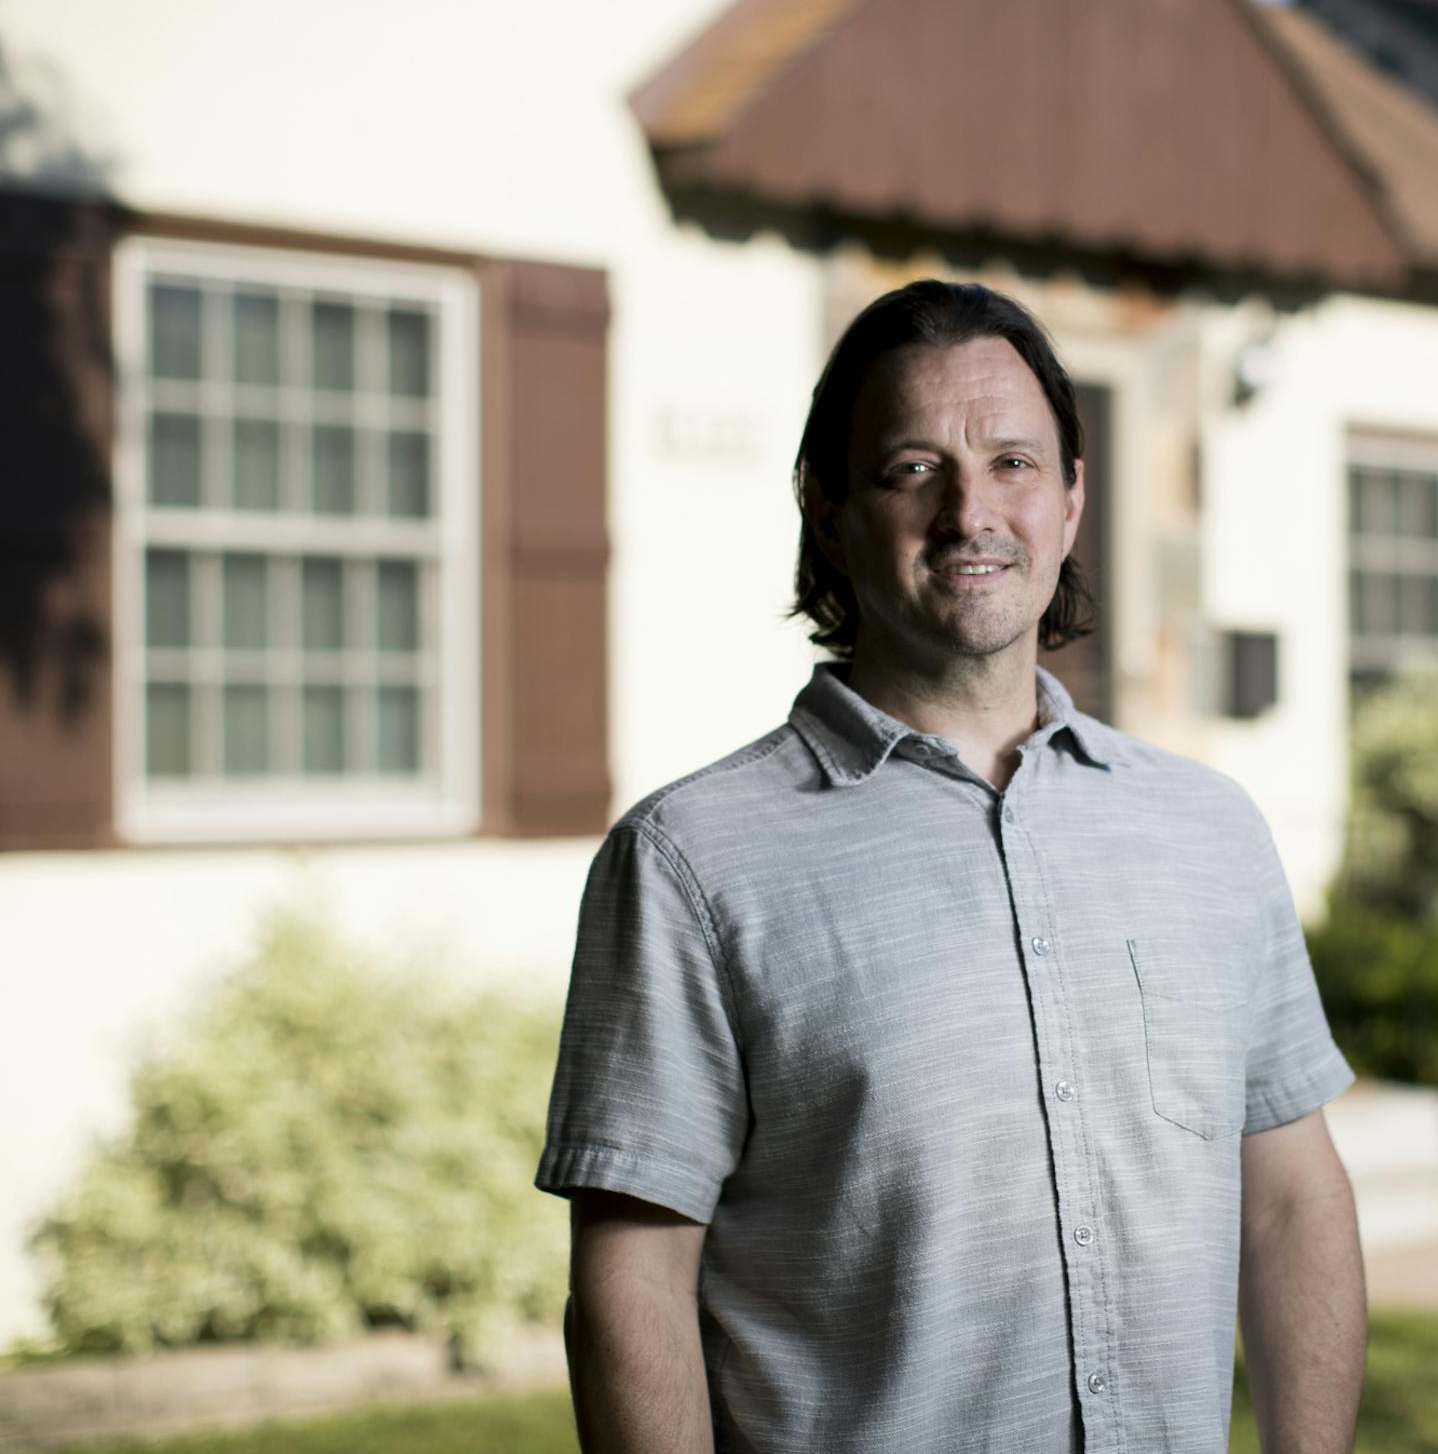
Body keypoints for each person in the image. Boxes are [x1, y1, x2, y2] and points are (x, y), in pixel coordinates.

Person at [537, 280, 1365, 1453]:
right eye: (914, 468)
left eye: (1015, 463)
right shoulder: (690, 864)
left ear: (1073, 501)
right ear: (828, 514)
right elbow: (633, 1280)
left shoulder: (1211, 829)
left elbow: (1292, 1201)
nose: (972, 511)